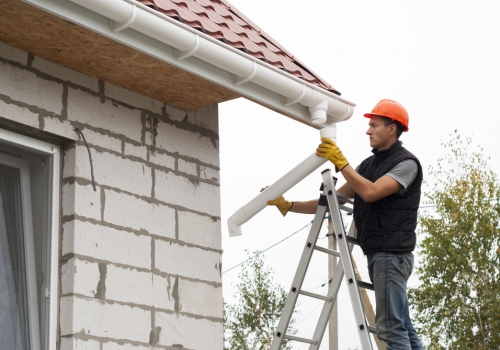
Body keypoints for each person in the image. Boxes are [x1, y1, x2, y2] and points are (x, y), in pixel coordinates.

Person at [267, 100, 424, 350]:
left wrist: (341, 163)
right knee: (403, 326)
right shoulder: (367, 166)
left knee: (391, 329)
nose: (368, 130)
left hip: (392, 256)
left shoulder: (407, 164)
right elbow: (331, 202)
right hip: (380, 254)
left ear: (392, 128)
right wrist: (288, 205)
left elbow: (371, 192)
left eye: (374, 125)